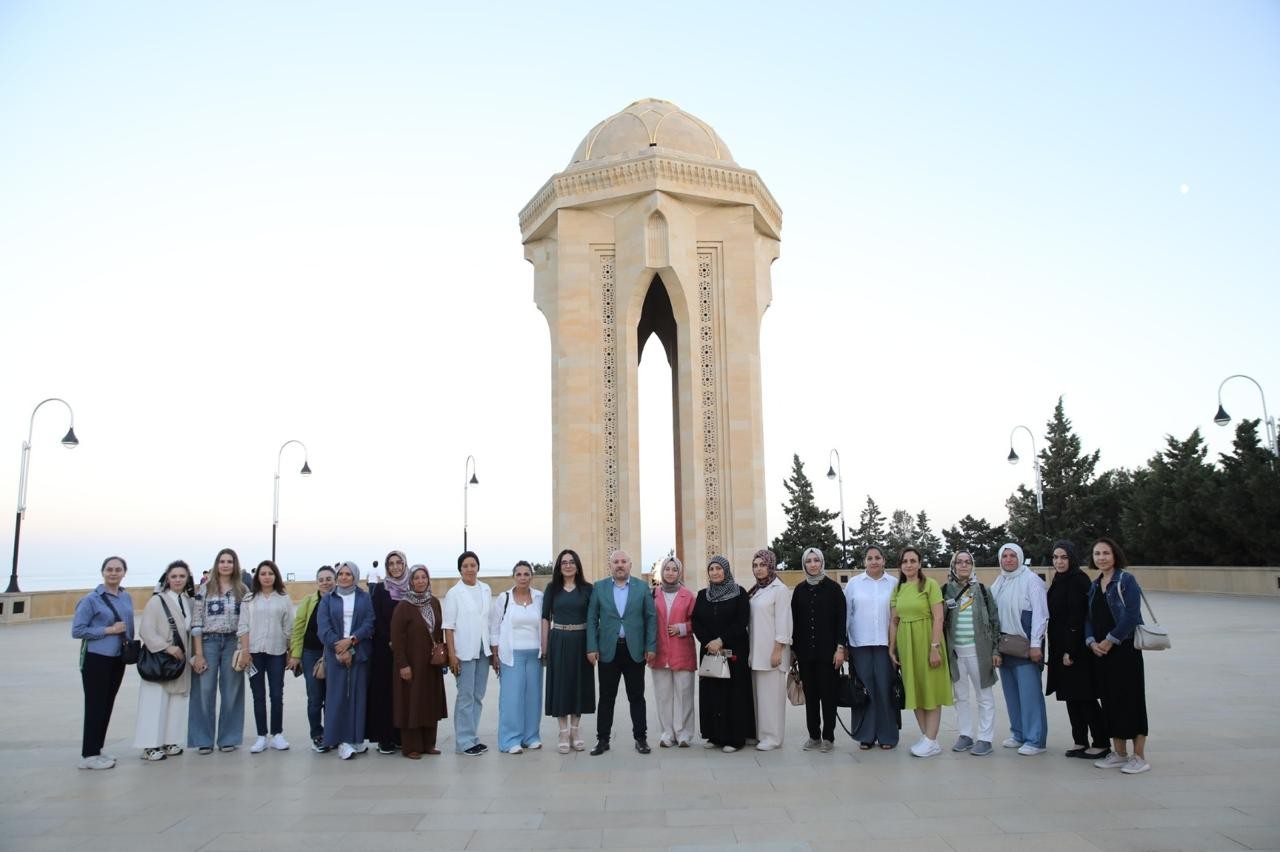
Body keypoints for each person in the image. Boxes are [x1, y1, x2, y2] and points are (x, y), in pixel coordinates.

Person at [1086, 537, 1151, 774]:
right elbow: (1089, 618)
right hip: (1101, 653)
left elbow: (1131, 615)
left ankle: (1139, 757)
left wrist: (1109, 640)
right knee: (1110, 701)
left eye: (1106, 553)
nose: (1101, 558)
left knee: (1131, 701)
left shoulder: (1126, 580)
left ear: (1115, 556)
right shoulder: (1095, 585)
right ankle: (1119, 753)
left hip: (1125, 650)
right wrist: (1091, 641)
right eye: (1097, 554)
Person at [585, 549, 657, 755]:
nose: (620, 565)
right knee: (606, 697)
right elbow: (591, 619)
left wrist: (650, 646)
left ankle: (641, 738)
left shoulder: (642, 587)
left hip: (635, 650)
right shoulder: (599, 588)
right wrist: (591, 647)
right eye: (616, 562)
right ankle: (603, 740)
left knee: (637, 696)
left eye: (624, 561)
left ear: (630, 565)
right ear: (610, 566)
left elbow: (651, 618)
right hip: (609, 650)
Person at [71, 556, 136, 769]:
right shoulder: (91, 599)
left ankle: (97, 749)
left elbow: (129, 625)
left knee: (107, 703)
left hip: (117, 658)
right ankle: (88, 755)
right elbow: (78, 630)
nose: (113, 573)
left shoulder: (126, 597)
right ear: (103, 572)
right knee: (95, 705)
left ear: (124, 573)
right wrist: (108, 630)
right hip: (97, 658)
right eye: (109, 569)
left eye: (118, 569)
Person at [1046, 540, 1109, 760]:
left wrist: (1070, 651)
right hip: (1061, 648)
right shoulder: (1060, 579)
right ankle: (1080, 740)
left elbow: (1077, 618)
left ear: (1072, 558)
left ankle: (1101, 742)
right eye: (1055, 557)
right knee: (1071, 698)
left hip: (1075, 651)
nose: (1059, 561)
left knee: (1085, 698)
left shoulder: (1078, 580)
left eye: (1063, 557)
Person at [889, 547, 952, 757]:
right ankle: (928, 738)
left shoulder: (930, 585)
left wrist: (934, 647)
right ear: (900, 565)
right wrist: (892, 648)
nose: (908, 564)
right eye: (904, 561)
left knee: (931, 689)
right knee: (915, 690)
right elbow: (894, 621)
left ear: (920, 563)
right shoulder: (898, 589)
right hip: (907, 644)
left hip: (927, 639)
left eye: (913, 560)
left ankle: (931, 739)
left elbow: (939, 618)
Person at [991, 542, 1050, 756]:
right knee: (1012, 694)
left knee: (1030, 694)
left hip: (1025, 646)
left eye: (1012, 556)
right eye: (1004, 556)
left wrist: (1036, 645)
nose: (1008, 560)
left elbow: (1040, 615)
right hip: (1005, 646)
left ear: (1020, 557)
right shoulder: (1000, 582)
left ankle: (1035, 739)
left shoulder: (1031, 580)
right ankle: (1019, 733)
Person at [692, 555, 754, 752]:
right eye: (712, 569)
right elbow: (696, 622)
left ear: (726, 571)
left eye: (719, 568)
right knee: (712, 692)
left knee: (733, 694)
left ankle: (735, 738)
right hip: (710, 651)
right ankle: (714, 735)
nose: (715, 572)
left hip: (734, 651)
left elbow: (741, 620)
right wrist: (708, 641)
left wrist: (721, 640)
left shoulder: (739, 593)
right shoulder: (703, 595)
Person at [133, 560, 194, 761]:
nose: (178, 580)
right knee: (154, 703)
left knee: (176, 701)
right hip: (161, 658)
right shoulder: (157, 601)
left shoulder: (187, 601)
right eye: (174, 576)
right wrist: (167, 647)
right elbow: (146, 630)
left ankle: (170, 740)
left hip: (179, 660)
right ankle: (149, 745)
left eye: (182, 576)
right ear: (167, 578)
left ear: (187, 579)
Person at [188, 548, 248, 754]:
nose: (225, 565)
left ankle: (228, 737)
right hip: (208, 642)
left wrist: (244, 648)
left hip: (233, 642)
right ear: (216, 564)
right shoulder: (205, 589)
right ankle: (203, 739)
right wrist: (198, 653)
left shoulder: (242, 590)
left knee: (232, 690)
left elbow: (247, 622)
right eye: (222, 561)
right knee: (204, 690)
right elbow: (196, 622)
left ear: (235, 564)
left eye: (229, 561)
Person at [941, 550, 999, 756]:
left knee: (984, 696)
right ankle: (965, 734)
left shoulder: (983, 590)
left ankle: (985, 738)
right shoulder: (945, 590)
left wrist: (995, 650)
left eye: (968, 562)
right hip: (955, 653)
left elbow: (994, 621)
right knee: (960, 697)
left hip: (979, 652)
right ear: (953, 565)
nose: (964, 565)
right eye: (959, 562)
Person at [789, 547, 847, 753]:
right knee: (811, 696)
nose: (813, 564)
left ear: (822, 562)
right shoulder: (799, 590)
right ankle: (813, 735)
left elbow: (842, 621)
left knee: (828, 695)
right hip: (806, 654)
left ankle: (828, 737)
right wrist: (794, 652)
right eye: (809, 561)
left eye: (816, 560)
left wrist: (840, 649)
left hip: (828, 653)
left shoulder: (833, 589)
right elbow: (794, 623)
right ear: (804, 564)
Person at [845, 545, 900, 750]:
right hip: (860, 644)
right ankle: (865, 735)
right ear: (864, 561)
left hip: (887, 645)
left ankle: (887, 735)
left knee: (885, 689)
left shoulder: (894, 583)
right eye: (870, 558)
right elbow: (847, 614)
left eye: (878, 557)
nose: (874, 561)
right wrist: (845, 645)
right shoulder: (854, 584)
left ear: (884, 560)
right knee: (865, 690)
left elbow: (898, 616)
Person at [318, 561, 375, 759]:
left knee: (357, 697)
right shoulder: (328, 599)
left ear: (355, 577)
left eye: (348, 574)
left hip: (358, 652)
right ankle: (341, 740)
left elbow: (369, 623)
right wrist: (339, 646)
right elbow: (323, 627)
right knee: (337, 697)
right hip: (335, 655)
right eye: (340, 574)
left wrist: (351, 641)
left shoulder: (364, 597)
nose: (343, 577)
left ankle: (356, 739)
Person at [390, 565, 448, 758]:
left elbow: (438, 630)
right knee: (412, 703)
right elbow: (397, 640)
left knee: (430, 701)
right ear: (411, 581)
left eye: (424, 577)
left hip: (430, 664)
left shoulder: (433, 602)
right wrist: (403, 665)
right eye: (417, 578)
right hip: (412, 663)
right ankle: (412, 747)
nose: (421, 581)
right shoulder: (404, 606)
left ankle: (429, 744)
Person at [238, 559, 295, 753]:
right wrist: (245, 652)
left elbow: (289, 628)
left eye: (270, 573)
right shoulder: (249, 599)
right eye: (263, 574)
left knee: (276, 694)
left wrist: (290, 653)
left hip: (277, 652)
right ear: (257, 577)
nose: (267, 577)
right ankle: (261, 736)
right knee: (258, 695)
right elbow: (243, 626)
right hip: (254, 653)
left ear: (275, 576)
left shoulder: (283, 598)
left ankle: (277, 734)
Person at [542, 549, 595, 753]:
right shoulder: (552, 589)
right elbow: (545, 617)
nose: (568, 565)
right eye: (564, 562)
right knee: (561, 686)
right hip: (559, 640)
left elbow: (593, 619)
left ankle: (575, 730)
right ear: (559, 566)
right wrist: (545, 647)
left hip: (582, 641)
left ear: (577, 565)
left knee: (578, 684)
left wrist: (593, 646)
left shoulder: (588, 589)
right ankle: (563, 731)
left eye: (572, 562)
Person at [490, 561, 545, 753]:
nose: (523, 577)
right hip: (511, 655)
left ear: (532, 576)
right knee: (511, 698)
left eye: (526, 574)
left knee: (533, 697)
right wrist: (495, 654)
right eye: (519, 574)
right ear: (513, 576)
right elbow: (495, 628)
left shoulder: (539, 597)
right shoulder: (504, 599)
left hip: (534, 655)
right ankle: (510, 740)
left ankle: (531, 737)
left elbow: (546, 624)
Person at [443, 550, 493, 756]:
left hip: (483, 650)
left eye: (473, 565)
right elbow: (449, 626)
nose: (470, 569)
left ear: (478, 567)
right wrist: (452, 655)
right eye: (466, 566)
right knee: (465, 696)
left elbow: (488, 620)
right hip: (464, 652)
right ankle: (463, 742)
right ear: (460, 569)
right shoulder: (454, 593)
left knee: (478, 695)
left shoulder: (486, 589)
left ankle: (472, 737)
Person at [648, 556, 696, 748]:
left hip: (682, 651)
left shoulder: (688, 595)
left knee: (684, 694)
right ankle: (667, 733)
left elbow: (697, 623)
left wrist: (682, 628)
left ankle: (684, 733)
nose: (670, 572)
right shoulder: (653, 594)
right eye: (667, 569)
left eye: (674, 569)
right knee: (663, 695)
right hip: (659, 652)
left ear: (679, 572)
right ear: (661, 572)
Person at [288, 566, 336, 752]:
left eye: (329, 578)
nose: (325, 582)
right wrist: (295, 655)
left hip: (333, 654)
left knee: (332, 696)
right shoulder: (309, 601)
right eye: (322, 579)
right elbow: (299, 629)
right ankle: (317, 734)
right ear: (317, 582)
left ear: (335, 580)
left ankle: (333, 733)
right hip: (310, 654)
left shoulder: (339, 600)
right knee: (315, 697)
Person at [747, 548, 790, 751]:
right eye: (755, 565)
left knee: (772, 698)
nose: (759, 569)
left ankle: (773, 737)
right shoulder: (757, 590)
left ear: (771, 565)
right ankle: (762, 734)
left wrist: (777, 650)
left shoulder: (779, 590)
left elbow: (784, 622)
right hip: (757, 652)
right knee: (761, 698)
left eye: (763, 565)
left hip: (772, 653)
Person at [367, 549, 407, 755]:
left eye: (399, 563)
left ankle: (402, 735)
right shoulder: (381, 589)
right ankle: (385, 737)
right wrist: (391, 640)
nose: (395, 567)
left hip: (407, 650)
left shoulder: (412, 588)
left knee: (404, 693)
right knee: (385, 693)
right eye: (391, 564)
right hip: (385, 648)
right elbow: (376, 617)